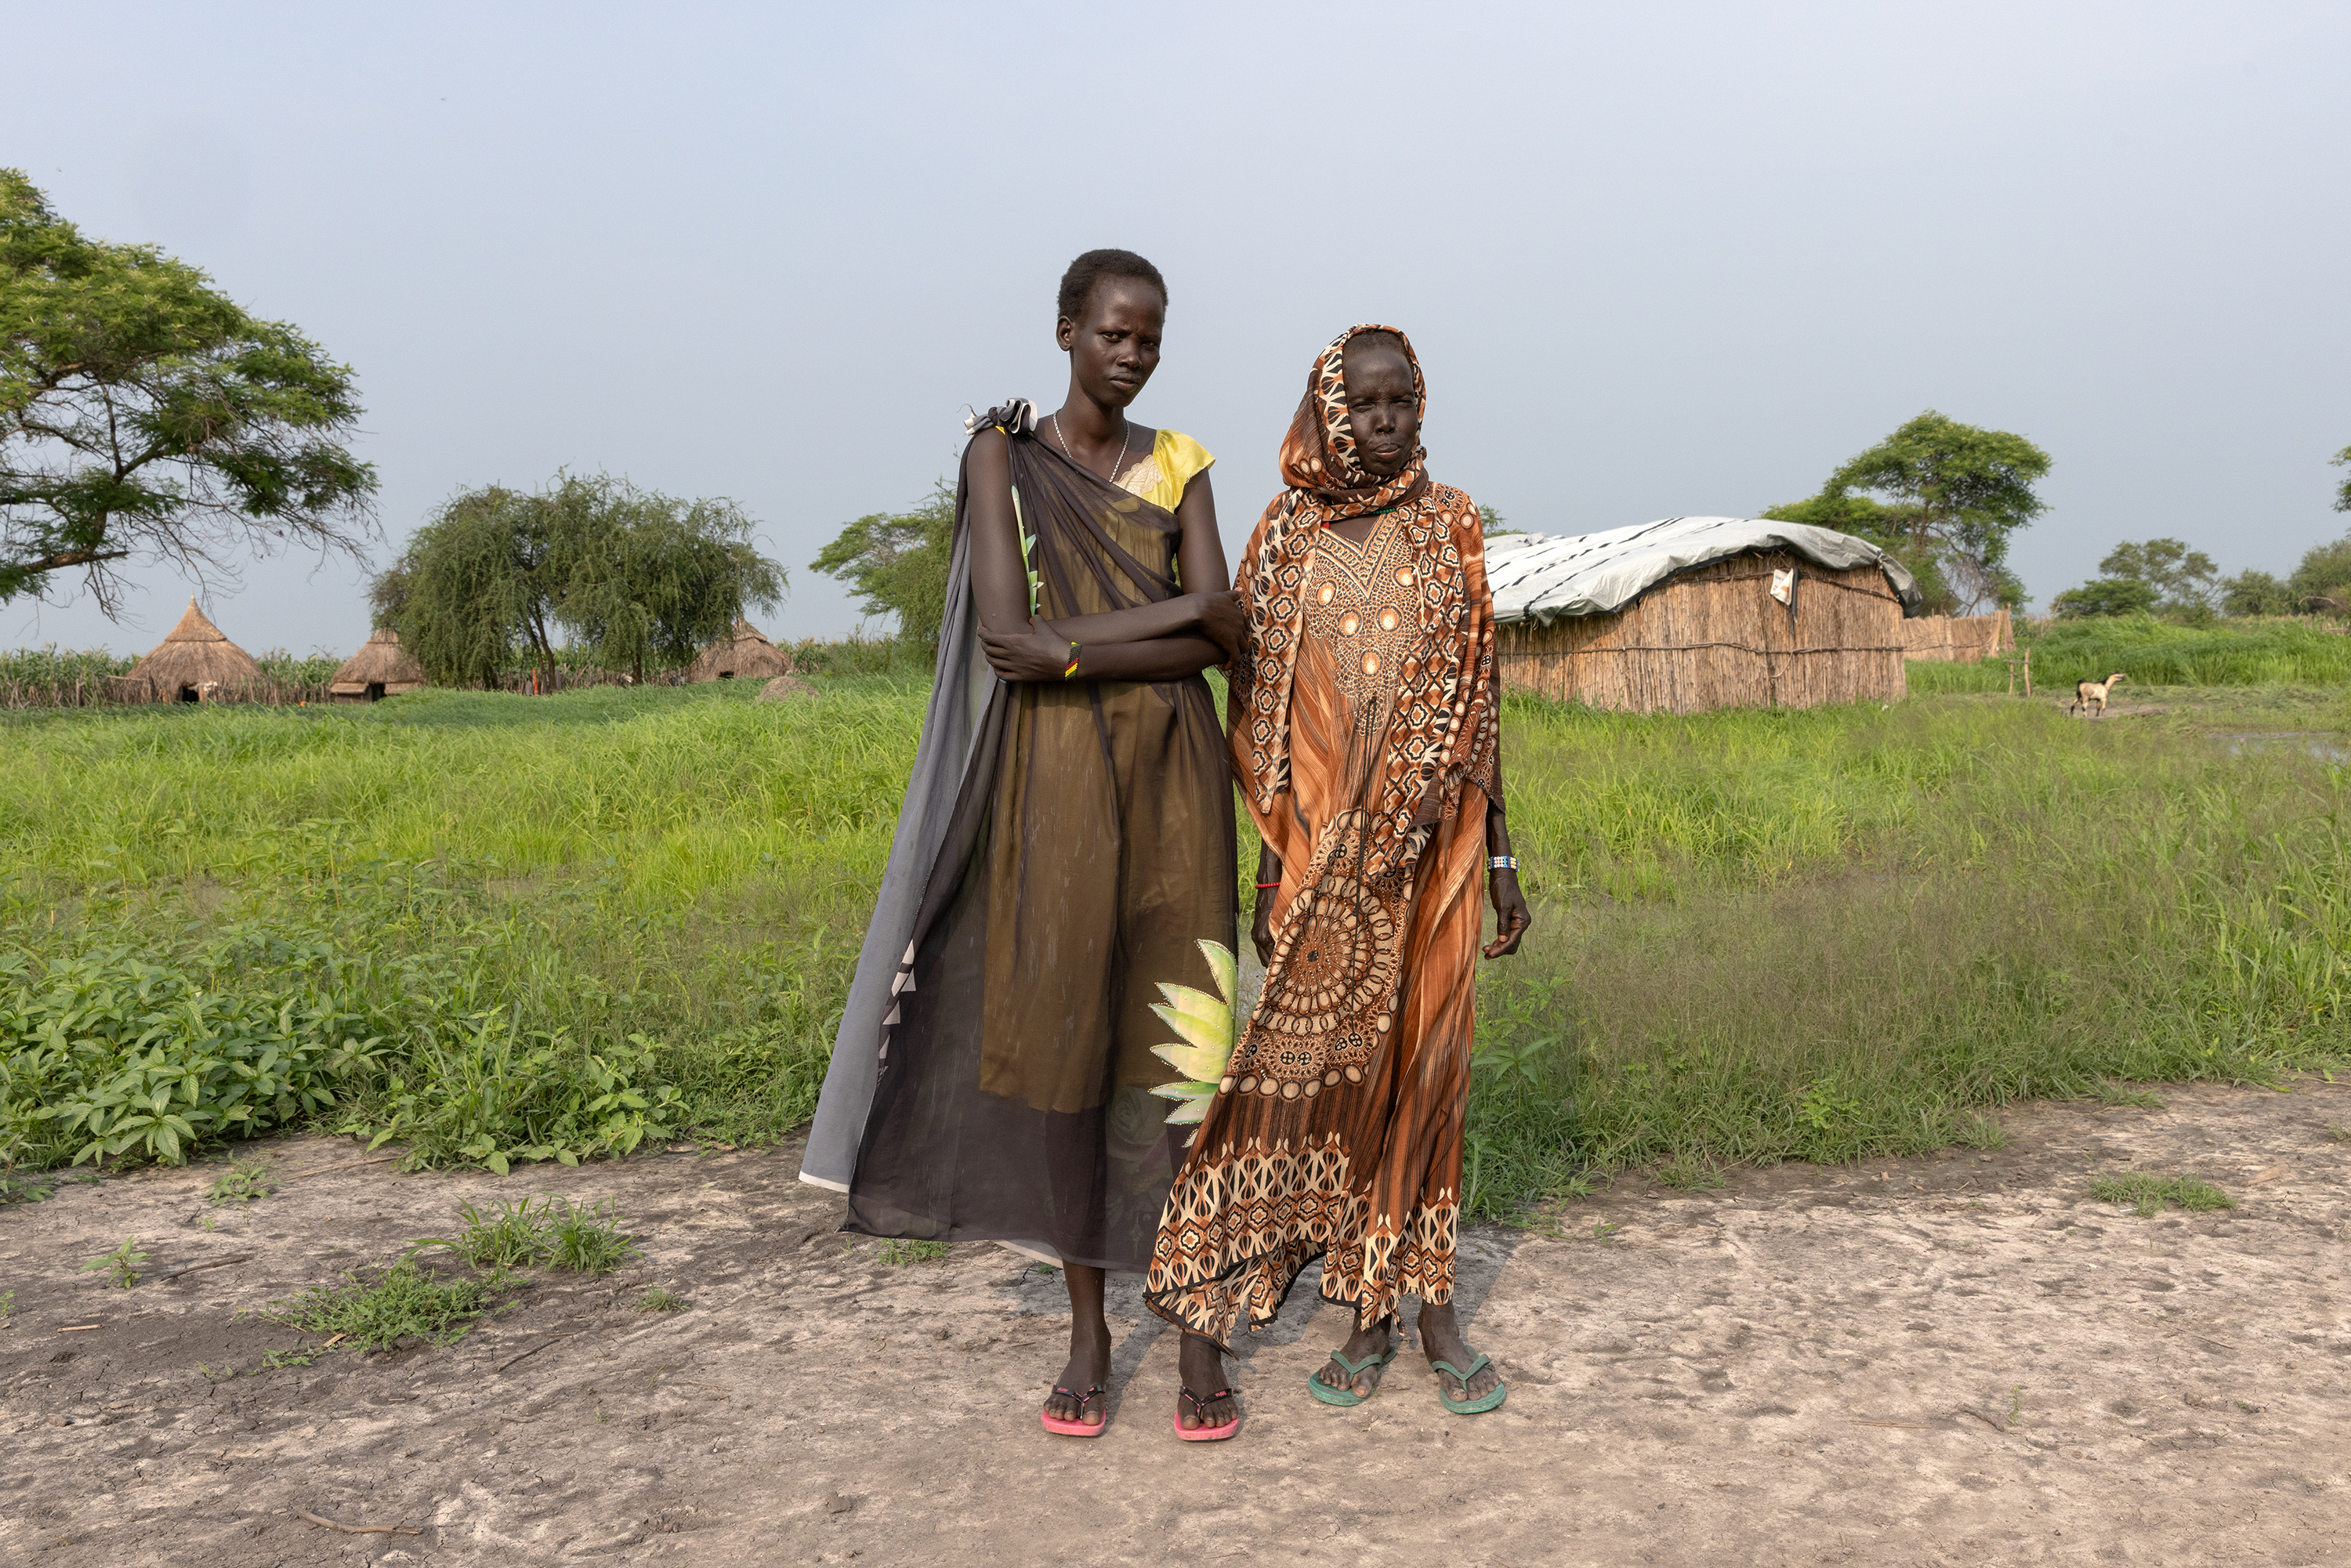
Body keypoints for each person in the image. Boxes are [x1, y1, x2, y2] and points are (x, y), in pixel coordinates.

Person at [799, 248, 1245, 1439]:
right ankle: (1090, 1330)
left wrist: (1083, 644)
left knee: (1187, 1059)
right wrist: (1174, 617)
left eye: (1151, 336)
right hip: (1050, 785)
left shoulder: (1185, 463)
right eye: (1113, 333)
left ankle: (1199, 1325)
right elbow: (1009, 638)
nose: (1134, 353)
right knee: (1064, 1055)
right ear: (1064, 332)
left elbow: (1224, 633)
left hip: (1174, 783)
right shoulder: (1001, 454)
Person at [1144, 323, 1531, 1429]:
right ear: (1329, 409)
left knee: (1432, 1071)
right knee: (1337, 1077)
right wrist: (1273, 880)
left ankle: (1434, 1307)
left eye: (1403, 396)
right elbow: (1264, 726)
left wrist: (1502, 856)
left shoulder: (1452, 521)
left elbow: (1481, 698)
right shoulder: (1282, 537)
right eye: (1365, 402)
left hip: (1443, 849)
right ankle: (1359, 1307)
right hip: (1325, 863)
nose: (1388, 416)